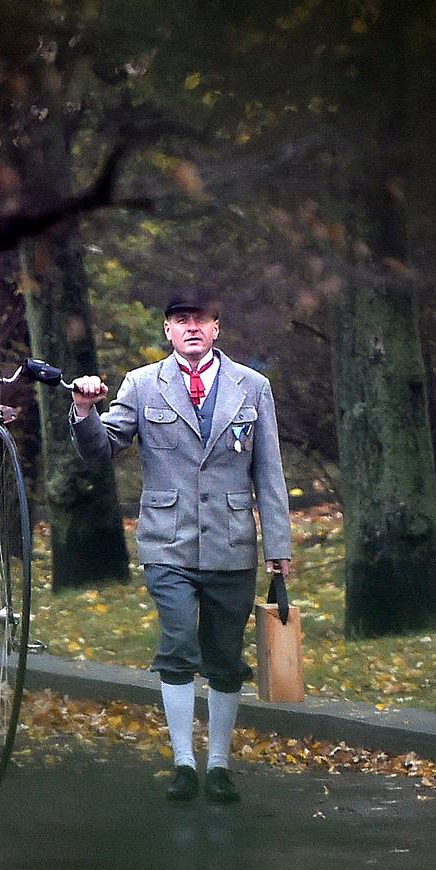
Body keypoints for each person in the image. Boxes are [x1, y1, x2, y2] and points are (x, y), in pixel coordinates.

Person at [69, 287, 292, 803]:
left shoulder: (252, 386)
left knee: (224, 653)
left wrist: (278, 549)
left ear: (217, 329)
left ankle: (218, 765)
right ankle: (183, 763)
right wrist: (83, 411)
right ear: (167, 331)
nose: (191, 327)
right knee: (177, 643)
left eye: (202, 319)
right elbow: (103, 449)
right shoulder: (143, 384)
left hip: (232, 543)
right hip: (166, 543)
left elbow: (270, 473)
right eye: (180, 320)